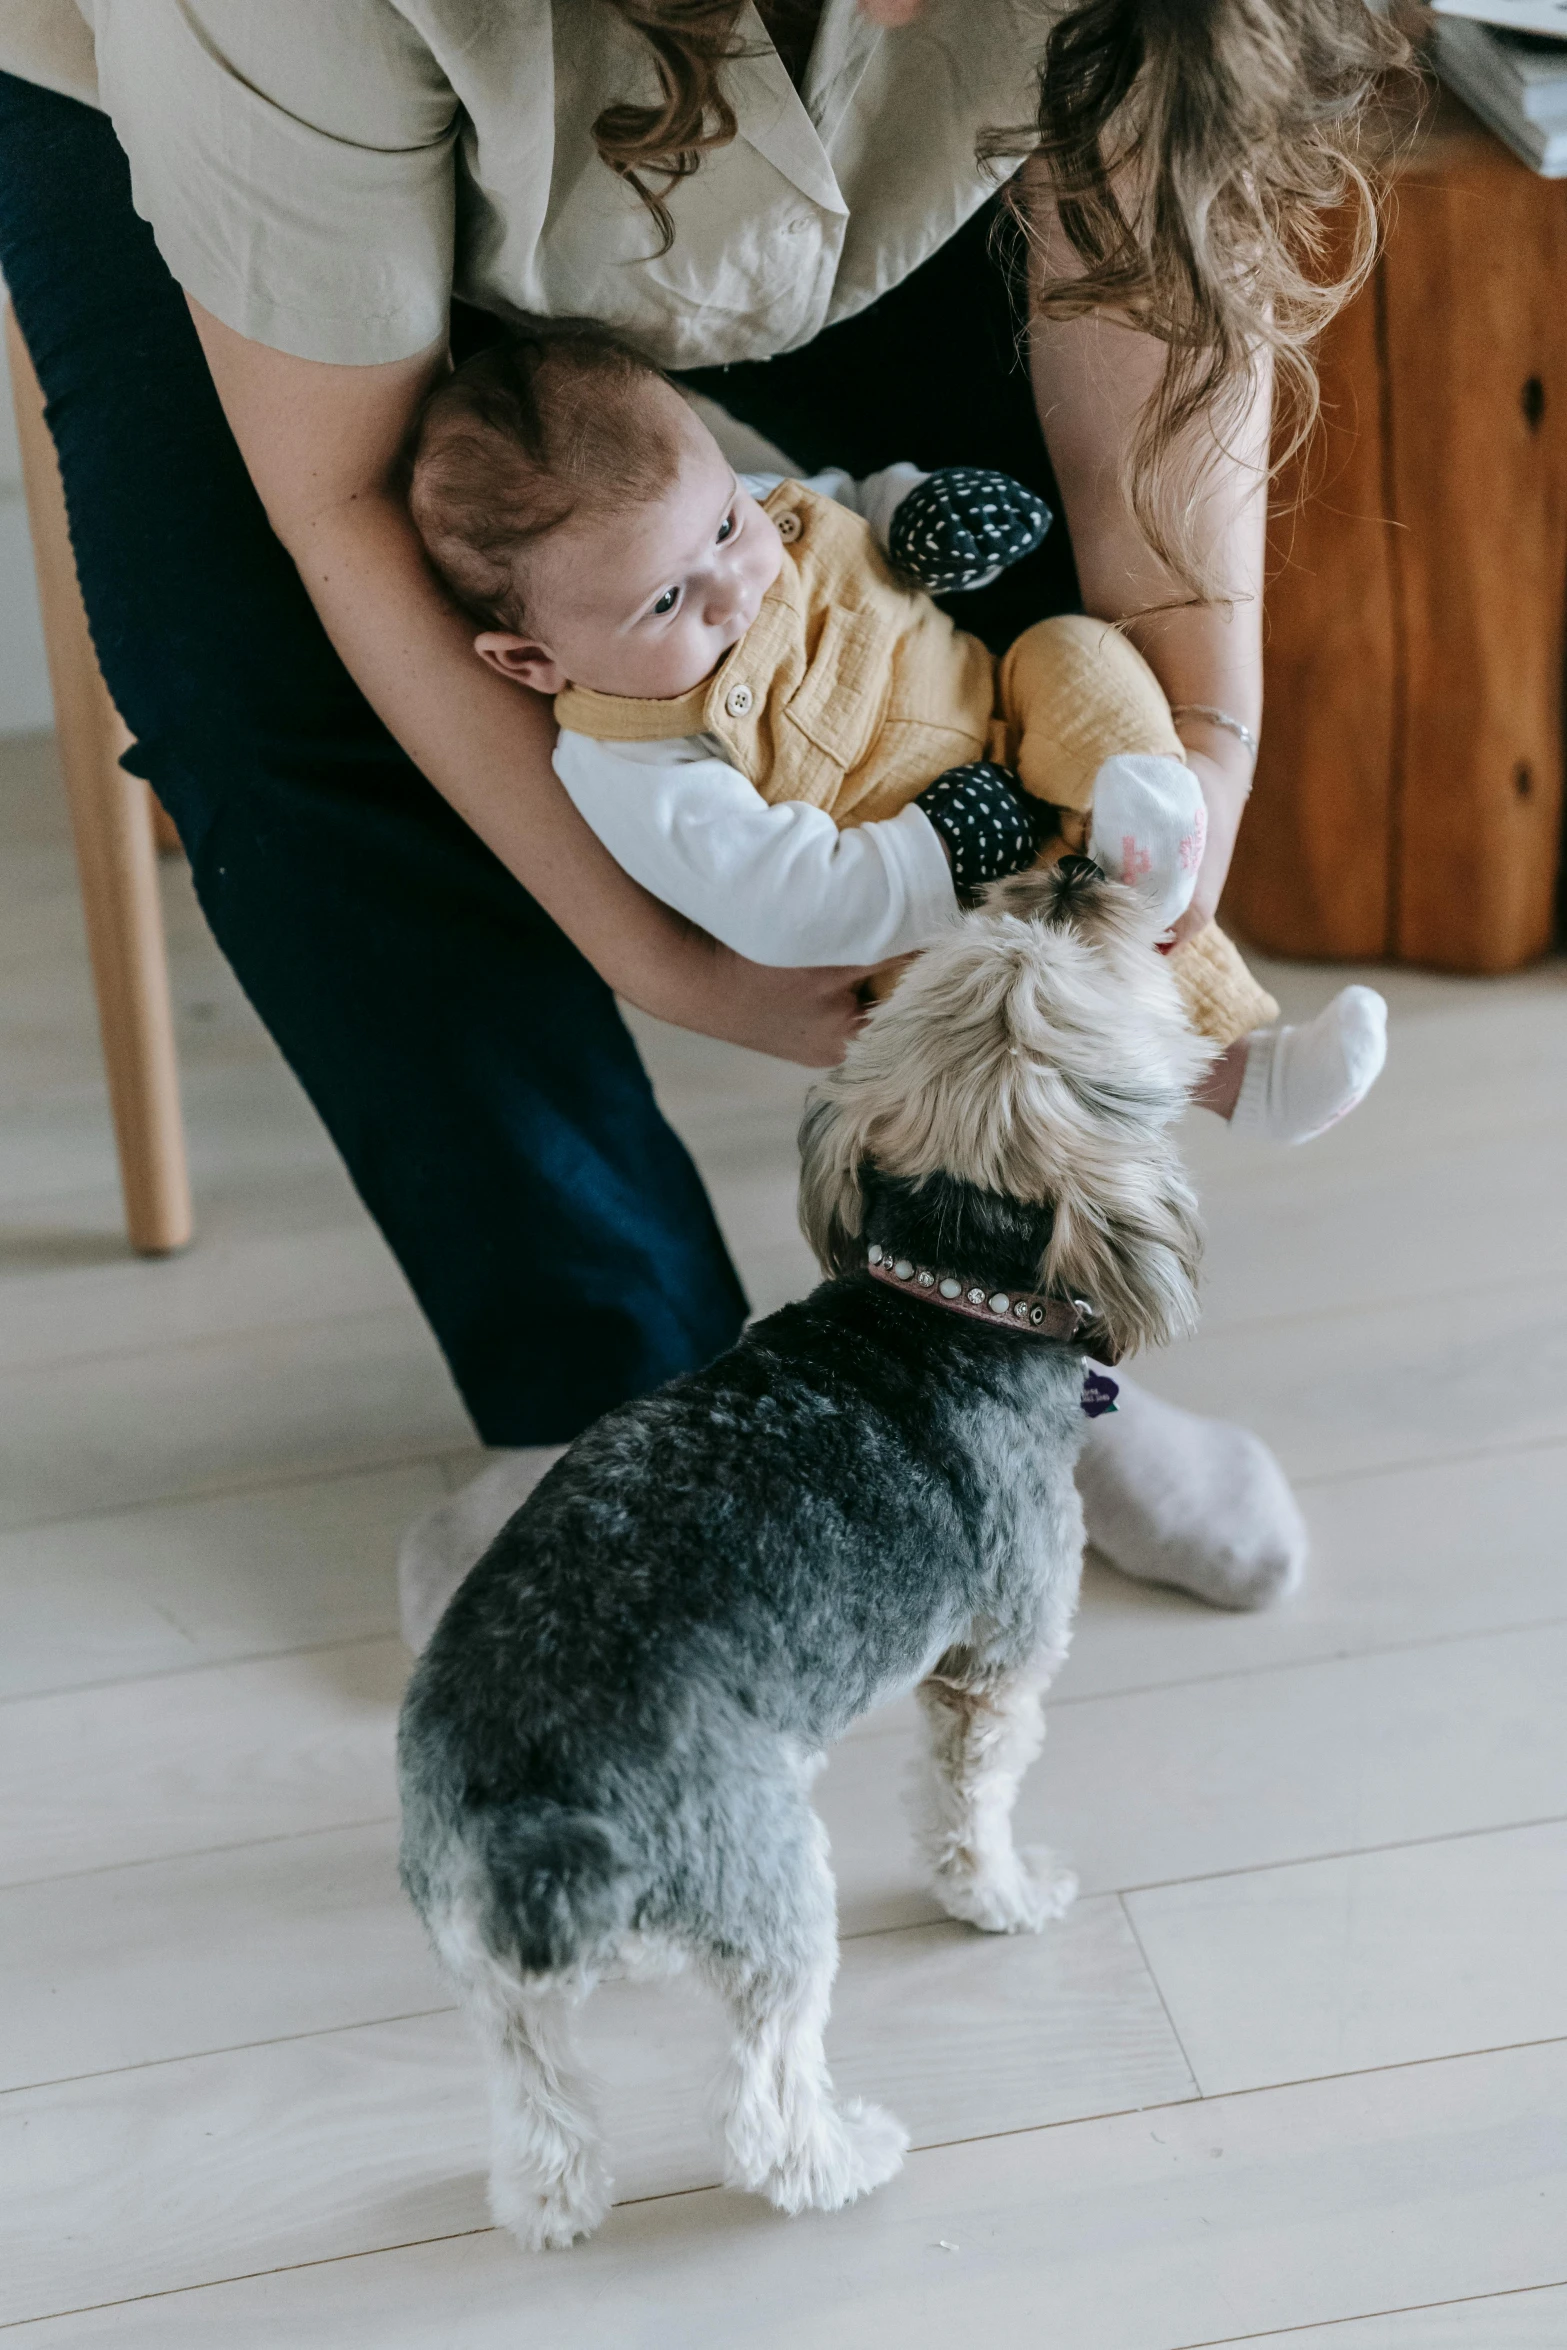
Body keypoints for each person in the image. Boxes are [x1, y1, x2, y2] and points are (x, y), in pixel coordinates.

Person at [0, 0, 1404, 1639]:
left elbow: (1152, 274)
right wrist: (658, 950)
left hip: (815, 150)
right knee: (256, 674)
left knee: (1006, 568)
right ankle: (602, 1387)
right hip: (242, 103)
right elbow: (341, 496)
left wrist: (1193, 751)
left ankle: (1003, 1347)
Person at [408, 320, 1390, 1143]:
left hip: (1003, 712)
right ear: (532, 662)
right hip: (926, 896)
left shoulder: (751, 513)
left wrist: (912, 513)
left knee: (1077, 654)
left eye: (721, 528)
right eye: (666, 600)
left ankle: (1144, 823)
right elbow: (775, 904)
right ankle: (1240, 1079)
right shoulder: (632, 757)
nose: (735, 590)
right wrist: (936, 851)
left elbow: (843, 504)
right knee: (1038, 994)